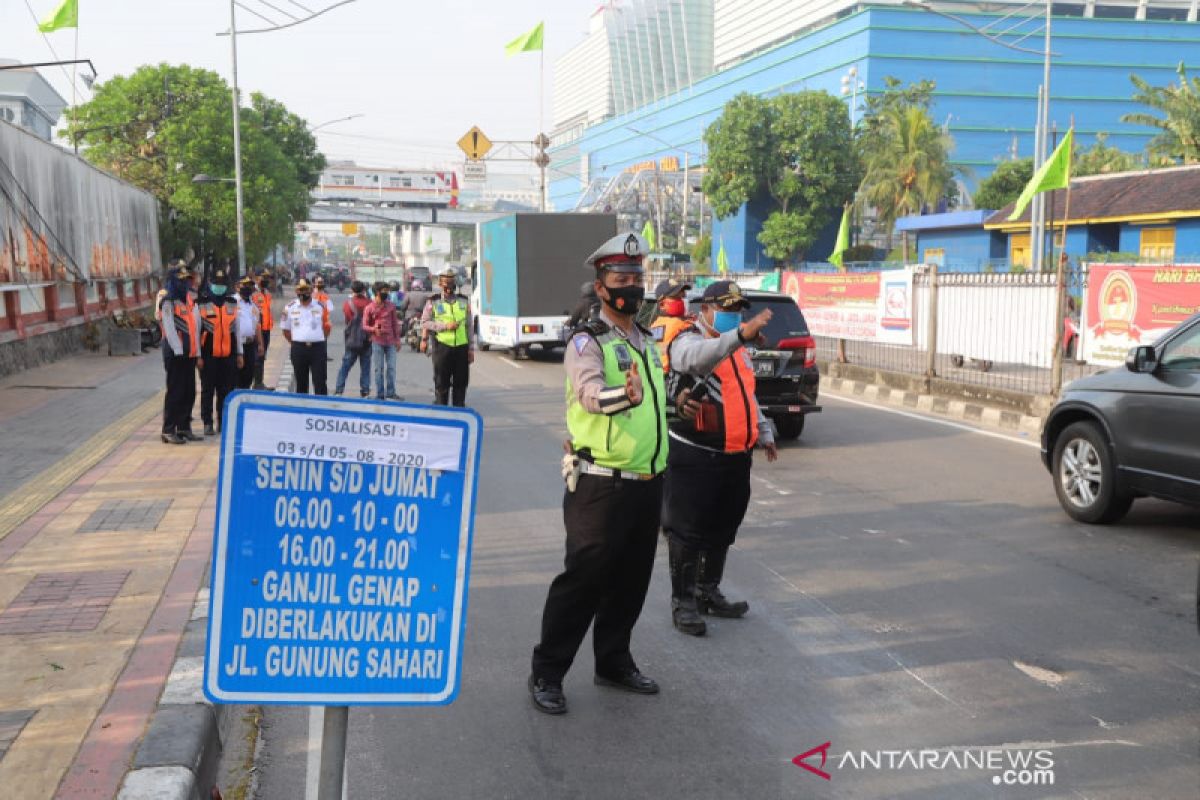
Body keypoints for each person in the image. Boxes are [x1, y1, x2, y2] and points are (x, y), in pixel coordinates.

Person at [529, 232, 667, 716]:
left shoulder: (646, 341)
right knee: (583, 582)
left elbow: (654, 401)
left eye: (636, 277)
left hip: (648, 483)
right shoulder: (588, 342)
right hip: (599, 483)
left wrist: (676, 406)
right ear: (601, 286)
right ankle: (547, 672)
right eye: (620, 279)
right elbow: (590, 395)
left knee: (631, 581)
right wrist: (623, 397)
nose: (631, 286)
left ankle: (613, 661)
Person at [662, 280, 777, 637]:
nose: (734, 316)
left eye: (738, 310)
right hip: (695, 456)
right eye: (727, 309)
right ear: (706, 309)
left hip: (734, 456)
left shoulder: (739, 349)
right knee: (687, 531)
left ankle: (707, 590)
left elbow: (747, 392)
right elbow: (697, 359)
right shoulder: (687, 339)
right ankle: (684, 602)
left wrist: (764, 430)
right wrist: (739, 336)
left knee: (723, 527)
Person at [158, 264, 202, 445]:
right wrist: (178, 350)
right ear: (173, 280)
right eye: (181, 280)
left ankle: (184, 427)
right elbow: (169, 328)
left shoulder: (188, 300)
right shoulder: (168, 301)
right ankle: (169, 430)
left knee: (189, 391)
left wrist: (196, 352)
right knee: (175, 391)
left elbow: (194, 329)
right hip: (175, 353)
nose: (185, 283)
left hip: (189, 353)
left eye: (186, 279)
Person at [197, 268, 244, 435]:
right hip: (208, 356)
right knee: (208, 390)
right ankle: (207, 423)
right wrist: (198, 356)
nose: (219, 287)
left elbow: (236, 331)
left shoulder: (232, 302)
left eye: (222, 284)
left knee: (226, 391)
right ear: (211, 284)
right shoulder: (201, 303)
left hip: (228, 356)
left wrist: (239, 354)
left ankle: (223, 422)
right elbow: (196, 332)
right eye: (216, 284)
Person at [420, 266, 474, 407]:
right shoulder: (433, 301)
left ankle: (458, 412)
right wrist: (444, 326)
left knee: (461, 383)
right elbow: (425, 322)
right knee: (441, 383)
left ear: (455, 284)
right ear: (440, 285)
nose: (449, 290)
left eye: (451, 286)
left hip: (461, 348)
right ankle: (442, 413)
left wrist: (471, 349)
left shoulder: (464, 301)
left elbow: (469, 325)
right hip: (442, 348)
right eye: (446, 286)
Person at [280, 279, 331, 395]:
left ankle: (321, 409)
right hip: (299, 348)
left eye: (305, 290)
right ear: (296, 291)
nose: (303, 293)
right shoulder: (290, 307)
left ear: (311, 290)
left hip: (317, 348)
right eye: (300, 290)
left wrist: (319, 338)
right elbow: (285, 330)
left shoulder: (320, 306)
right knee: (301, 383)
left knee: (320, 381)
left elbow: (327, 327)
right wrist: (295, 342)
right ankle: (302, 410)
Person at [363, 282, 402, 400]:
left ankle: (391, 392)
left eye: (387, 290)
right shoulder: (369, 308)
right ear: (377, 292)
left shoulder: (391, 306)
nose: (386, 293)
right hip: (377, 341)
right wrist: (373, 329)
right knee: (378, 369)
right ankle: (380, 394)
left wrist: (398, 340)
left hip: (390, 341)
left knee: (391, 368)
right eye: (384, 290)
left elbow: (395, 323)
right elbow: (364, 325)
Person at [335, 280, 373, 397]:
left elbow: (347, 319)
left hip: (352, 339)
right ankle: (365, 390)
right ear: (363, 290)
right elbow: (372, 320)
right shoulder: (369, 303)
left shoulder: (348, 304)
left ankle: (339, 390)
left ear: (352, 290)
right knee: (365, 366)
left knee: (345, 366)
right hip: (366, 338)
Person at [649, 277, 692, 373]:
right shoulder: (682, 325)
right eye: (676, 298)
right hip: (676, 378)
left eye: (682, 297)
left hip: (659, 377)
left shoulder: (654, 325)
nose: (681, 301)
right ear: (662, 304)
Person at [234, 276, 264, 389]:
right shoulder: (232, 302)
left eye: (250, 285)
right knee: (237, 376)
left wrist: (260, 344)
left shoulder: (253, 305)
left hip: (251, 345)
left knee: (249, 375)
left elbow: (257, 326)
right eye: (245, 285)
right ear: (237, 287)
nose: (248, 288)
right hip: (237, 344)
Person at [251, 273, 275, 389]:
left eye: (267, 278)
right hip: (258, 330)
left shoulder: (267, 294)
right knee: (257, 356)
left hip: (267, 329)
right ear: (257, 278)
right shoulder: (253, 294)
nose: (265, 280)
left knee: (262, 356)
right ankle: (257, 383)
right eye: (262, 277)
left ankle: (259, 382)